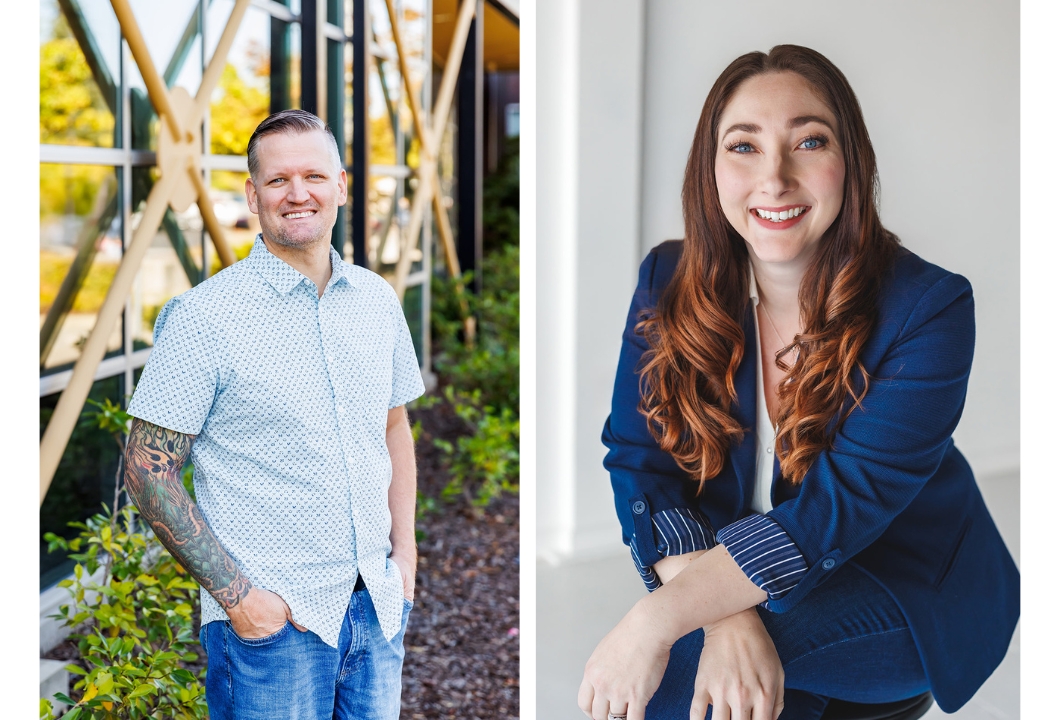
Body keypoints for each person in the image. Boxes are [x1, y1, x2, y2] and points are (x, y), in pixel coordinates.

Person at [578, 45, 1019, 720]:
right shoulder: (666, 279)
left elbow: (832, 514)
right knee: (724, 673)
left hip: (900, 584)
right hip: (746, 569)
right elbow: (641, 463)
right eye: (744, 146)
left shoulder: (930, 308)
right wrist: (723, 616)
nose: (775, 177)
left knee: (674, 677)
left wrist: (654, 620)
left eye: (808, 141)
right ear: (711, 169)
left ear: (852, 162)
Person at [124, 109, 425, 720]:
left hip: (375, 606)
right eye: (278, 180)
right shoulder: (203, 318)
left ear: (341, 184)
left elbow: (393, 428)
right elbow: (145, 470)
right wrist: (242, 601)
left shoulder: (376, 301)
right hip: (272, 628)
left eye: (313, 175)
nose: (298, 193)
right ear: (253, 194)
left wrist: (406, 557)